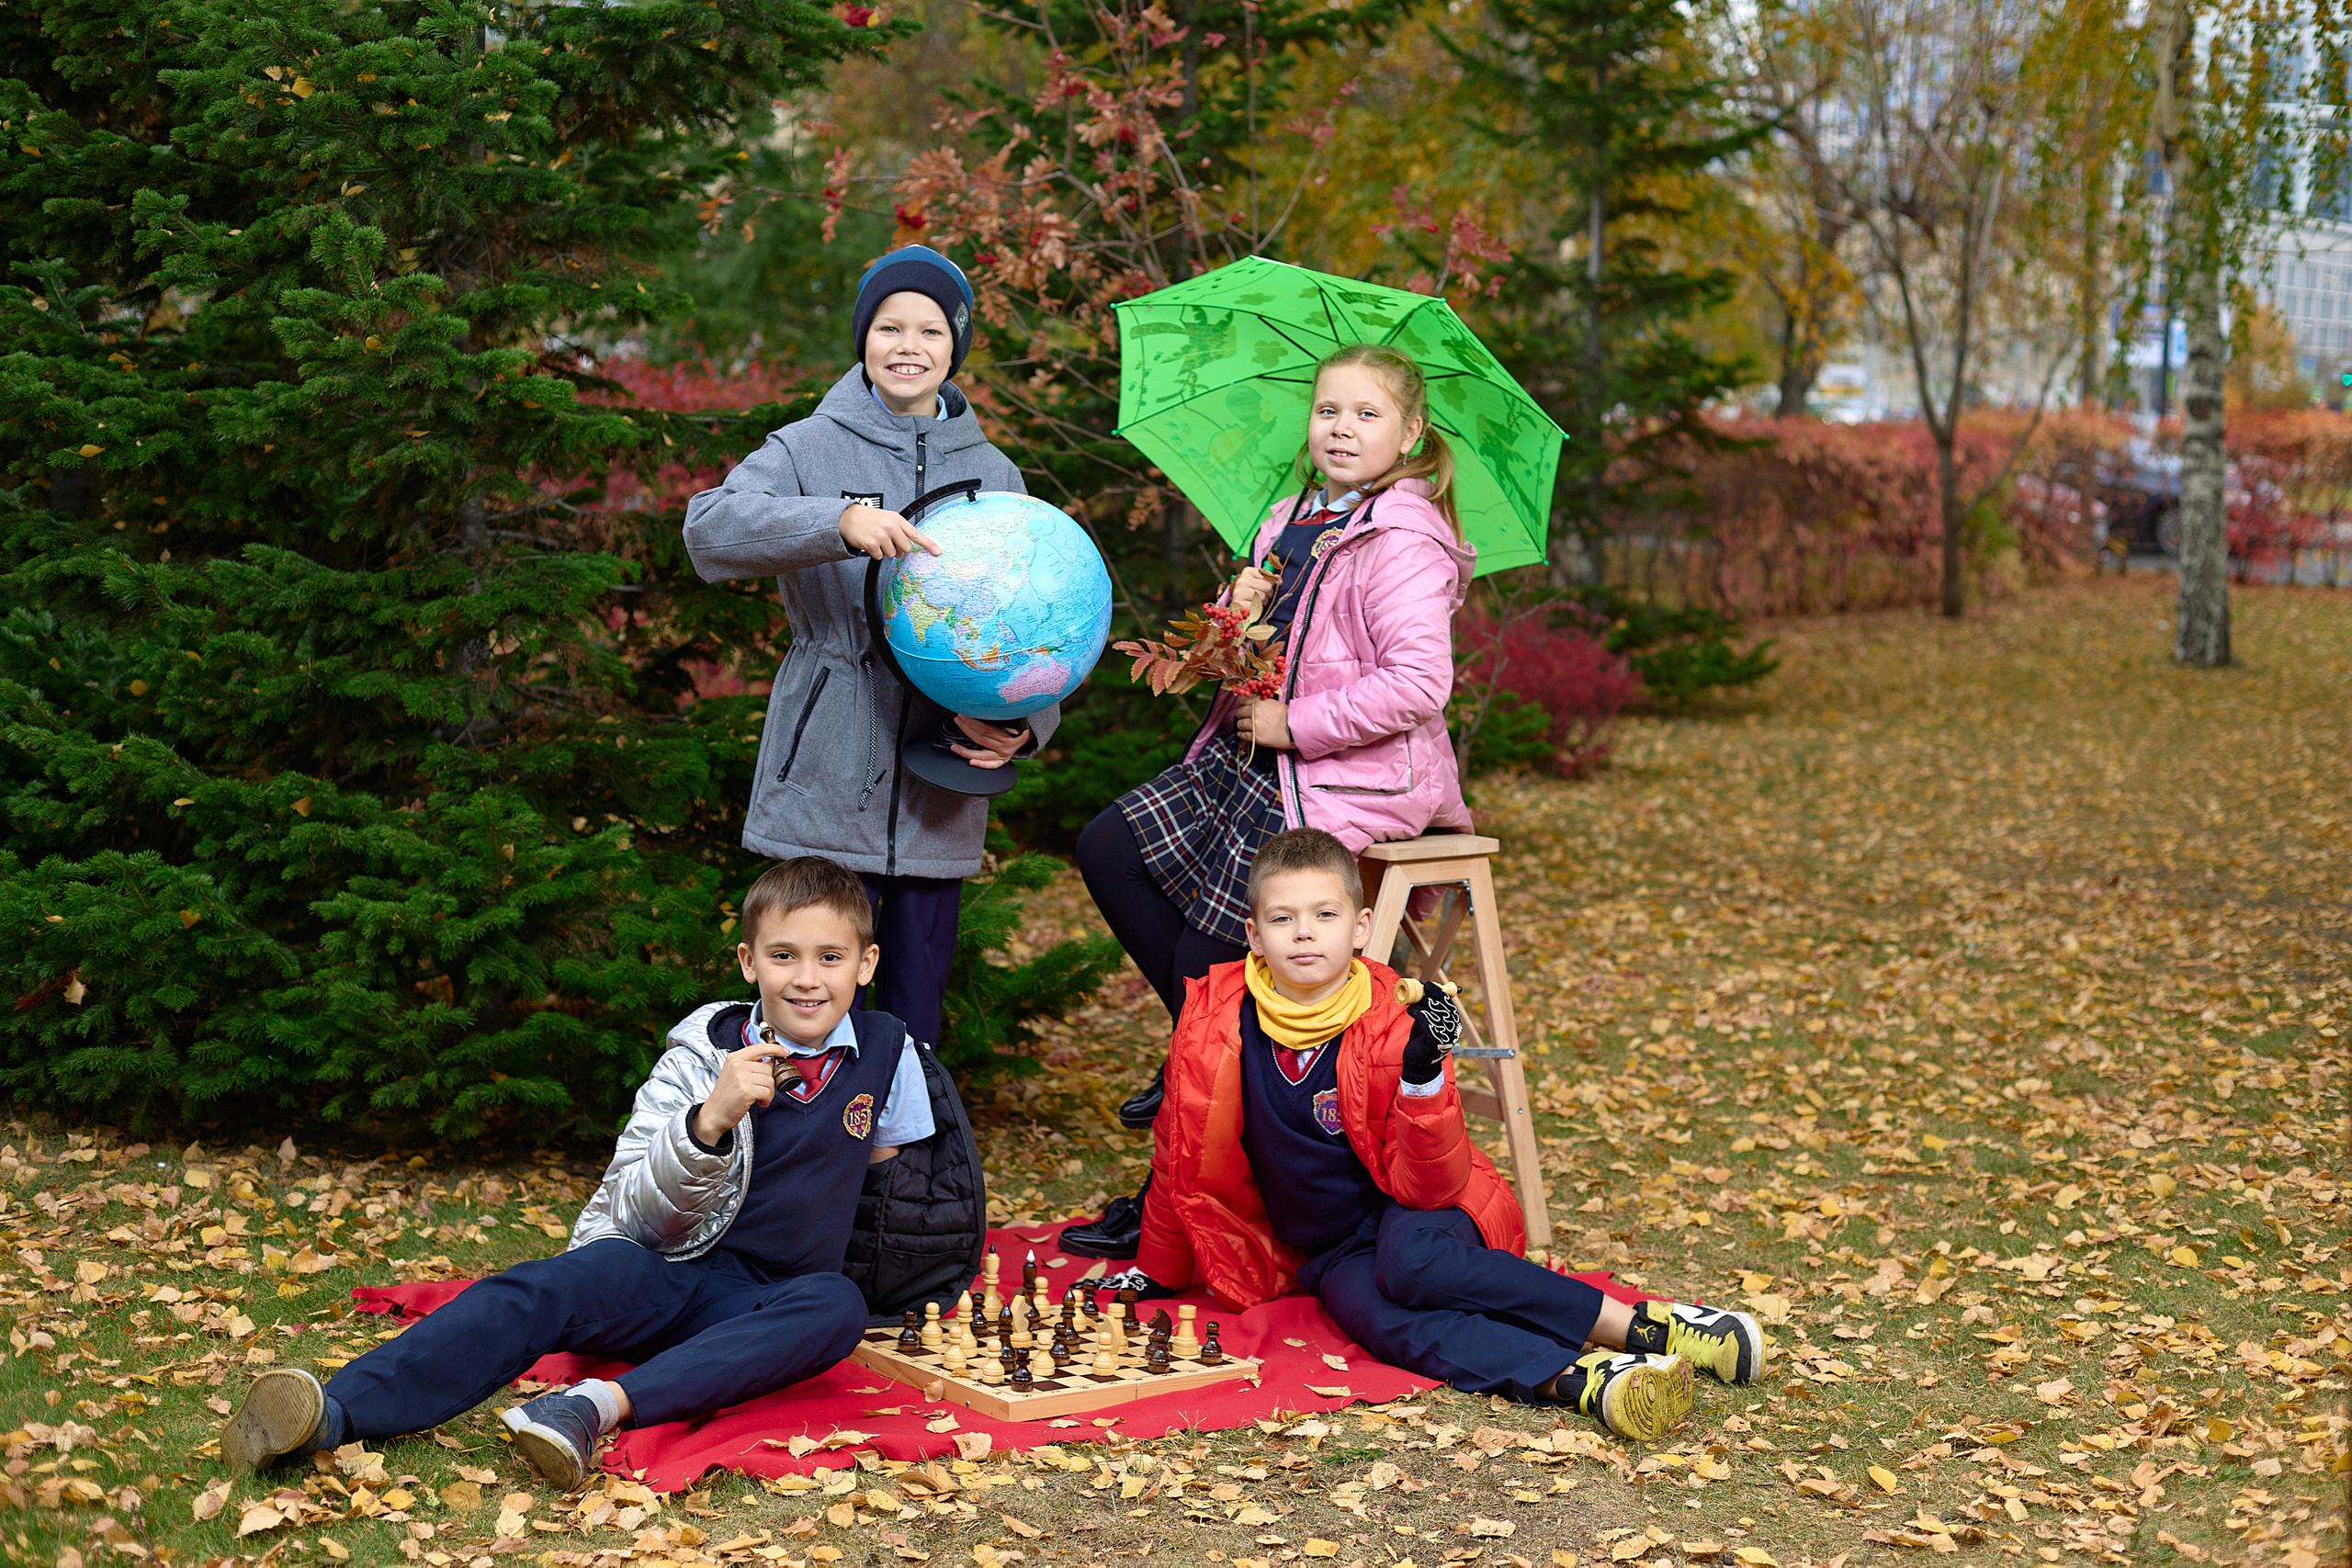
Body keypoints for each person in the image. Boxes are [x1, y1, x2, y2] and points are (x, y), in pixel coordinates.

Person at [218, 857, 986, 1486]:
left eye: (830, 957)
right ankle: (331, 1413)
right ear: (748, 961)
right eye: (783, 955)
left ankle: (590, 1408)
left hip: (770, 1303)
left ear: (866, 962)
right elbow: (637, 1210)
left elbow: (890, 1193)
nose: (807, 978)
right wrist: (709, 1121)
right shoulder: (697, 1058)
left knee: (837, 1305)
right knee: (541, 1286)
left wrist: (912, 1290)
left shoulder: (888, 1051)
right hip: (664, 1270)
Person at [1092, 829, 1765, 1437]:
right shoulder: (1213, 1022)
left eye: (1324, 915)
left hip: (1420, 1210)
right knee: (1380, 1321)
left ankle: (1646, 1326)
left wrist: (1422, 1076)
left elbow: (1430, 1185)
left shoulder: (1392, 1018)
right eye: (1283, 918)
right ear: (1254, 933)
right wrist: (1157, 1268)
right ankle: (1583, 1378)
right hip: (1330, 1248)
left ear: (1360, 927)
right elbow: (1180, 1154)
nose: (1304, 934)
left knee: (1410, 1263)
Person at [1062, 344, 1475, 1258]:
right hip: (1249, 759)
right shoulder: (1287, 520)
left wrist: (1297, 724)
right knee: (1109, 846)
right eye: (1329, 411)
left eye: (1367, 414)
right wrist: (1234, 609)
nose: (1342, 429)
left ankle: (1174, 1177)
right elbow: (1232, 660)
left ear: (1410, 434)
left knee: (1208, 959)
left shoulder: (1403, 540)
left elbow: (1418, 685)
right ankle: (1211, 1048)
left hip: (1343, 774)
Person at [680, 243, 1055, 1050]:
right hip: (825, 775)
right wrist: (835, 522)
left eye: (930, 329)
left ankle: (904, 1138)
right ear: (863, 337)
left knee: (913, 1029)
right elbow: (708, 529)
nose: (907, 345)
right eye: (889, 326)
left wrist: (1024, 725)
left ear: (955, 346)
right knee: (808, 1016)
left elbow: (1036, 624)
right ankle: (803, 1136)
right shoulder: (807, 447)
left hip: (937, 790)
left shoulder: (995, 474)